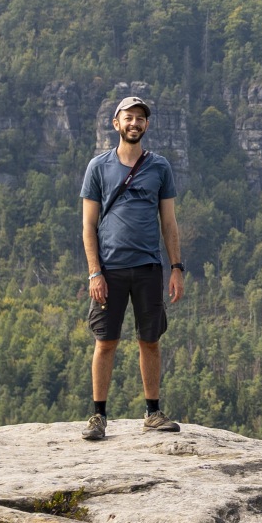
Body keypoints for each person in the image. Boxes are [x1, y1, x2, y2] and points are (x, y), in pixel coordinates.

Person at [79, 95, 185, 439]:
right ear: (116, 124)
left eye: (140, 118)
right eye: (128, 118)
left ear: (146, 125)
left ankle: (153, 413)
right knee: (105, 341)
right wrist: (95, 272)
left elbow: (169, 222)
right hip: (109, 271)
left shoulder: (160, 167)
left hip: (148, 268)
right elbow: (88, 225)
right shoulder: (98, 167)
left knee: (150, 341)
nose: (134, 123)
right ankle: (98, 417)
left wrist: (176, 267)